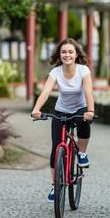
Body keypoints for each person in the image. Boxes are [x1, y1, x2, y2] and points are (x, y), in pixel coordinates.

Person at [31, 38, 95, 203]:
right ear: (60, 54)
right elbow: (45, 92)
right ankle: (55, 185)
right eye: (64, 52)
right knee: (56, 148)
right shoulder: (56, 72)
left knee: (82, 121)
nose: (67, 55)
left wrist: (90, 110)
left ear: (76, 54)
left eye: (70, 52)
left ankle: (82, 153)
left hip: (80, 108)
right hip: (61, 110)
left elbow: (88, 92)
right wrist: (36, 109)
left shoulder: (83, 70)